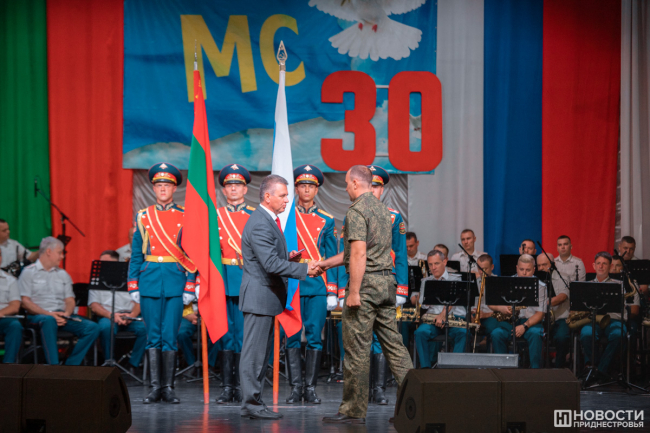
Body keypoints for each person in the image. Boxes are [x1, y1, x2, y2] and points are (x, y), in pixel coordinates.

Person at [318, 165, 412, 425]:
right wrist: (324, 264)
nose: (346, 188)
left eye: (346, 184)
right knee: (395, 347)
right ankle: (416, 405)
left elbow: (359, 253)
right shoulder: (384, 210)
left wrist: (354, 291)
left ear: (356, 183)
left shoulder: (357, 210)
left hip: (366, 286)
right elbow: (357, 251)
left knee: (357, 350)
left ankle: (353, 411)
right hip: (386, 284)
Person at [239, 174, 321, 420]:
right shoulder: (261, 223)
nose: (287, 200)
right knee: (254, 355)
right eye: (283, 195)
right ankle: (251, 404)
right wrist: (305, 269)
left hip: (264, 297)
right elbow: (270, 264)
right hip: (259, 297)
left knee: (259, 354)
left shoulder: (266, 219)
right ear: (267, 196)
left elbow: (270, 260)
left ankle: (254, 403)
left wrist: (289, 259)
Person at [127, 162, 197, 404]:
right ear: (154, 188)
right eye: (159, 185)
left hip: (176, 280)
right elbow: (136, 254)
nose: (163, 189)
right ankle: (155, 387)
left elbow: (192, 254)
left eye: (167, 185)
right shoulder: (143, 216)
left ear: (174, 188)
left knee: (170, 336)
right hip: (149, 281)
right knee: (152, 336)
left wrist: (190, 284)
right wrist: (132, 283)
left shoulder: (185, 215)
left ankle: (168, 388)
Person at [283, 165, 338, 404]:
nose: (306, 189)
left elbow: (332, 257)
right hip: (292, 284)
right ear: (296, 188)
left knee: (315, 336)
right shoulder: (285, 217)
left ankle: (311, 388)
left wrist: (332, 290)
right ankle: (296, 388)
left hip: (316, 284)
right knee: (292, 336)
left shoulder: (327, 219)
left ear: (317, 190)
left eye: (311, 186)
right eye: (302, 185)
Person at [19, 237, 99, 365]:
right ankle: (54, 367)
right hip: (38, 317)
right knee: (49, 321)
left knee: (92, 327)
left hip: (62, 316)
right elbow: (25, 302)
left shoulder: (63, 274)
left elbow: (70, 300)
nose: (62, 256)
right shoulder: (28, 272)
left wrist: (66, 314)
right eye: (59, 252)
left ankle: (70, 366)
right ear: (48, 252)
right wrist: (49, 314)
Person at [214, 164, 255, 404]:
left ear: (245, 189)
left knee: (243, 336)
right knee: (226, 335)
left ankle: (241, 387)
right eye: (229, 185)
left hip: (246, 278)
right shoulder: (215, 215)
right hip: (222, 279)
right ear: (224, 190)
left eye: (238, 185)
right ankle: (227, 387)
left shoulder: (255, 215)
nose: (233, 189)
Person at [579, 252, 640, 376]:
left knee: (618, 334)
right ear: (594, 266)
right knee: (586, 334)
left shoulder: (620, 285)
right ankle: (597, 367)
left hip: (614, 320)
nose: (601, 266)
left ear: (610, 266)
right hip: (593, 320)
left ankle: (600, 370)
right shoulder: (587, 286)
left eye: (604, 264)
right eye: (598, 263)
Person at [89, 250, 146, 370]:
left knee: (147, 329)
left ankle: (133, 364)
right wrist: (112, 315)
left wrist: (132, 315)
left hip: (129, 316)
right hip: (108, 316)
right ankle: (109, 362)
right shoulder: (96, 280)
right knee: (106, 328)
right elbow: (94, 305)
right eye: (102, 263)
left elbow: (139, 301)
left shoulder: (131, 279)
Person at [488, 254, 547, 368]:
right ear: (516, 268)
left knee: (536, 334)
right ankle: (503, 369)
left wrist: (524, 326)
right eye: (521, 269)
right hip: (510, 322)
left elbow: (540, 314)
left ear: (534, 270)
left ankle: (535, 371)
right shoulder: (506, 282)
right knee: (496, 334)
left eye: (528, 270)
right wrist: (501, 308)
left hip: (531, 323)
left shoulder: (541, 287)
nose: (524, 273)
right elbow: (490, 303)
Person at [412, 250, 466, 368]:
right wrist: (427, 296)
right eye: (430, 264)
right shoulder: (426, 281)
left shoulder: (456, 279)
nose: (433, 267)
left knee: (463, 333)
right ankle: (426, 369)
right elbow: (423, 305)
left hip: (454, 319)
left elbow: (453, 301)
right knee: (420, 333)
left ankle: (455, 369)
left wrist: (442, 315)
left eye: (436, 263)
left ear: (445, 261)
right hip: (433, 320)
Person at [537, 253, 570, 368]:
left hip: (559, 317)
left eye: (544, 265)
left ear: (553, 264)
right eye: (539, 266)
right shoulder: (535, 278)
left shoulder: (563, 276)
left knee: (562, 337)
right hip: (540, 318)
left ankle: (558, 368)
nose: (541, 268)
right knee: (534, 335)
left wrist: (542, 303)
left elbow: (562, 297)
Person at [0, 247, 23, 363]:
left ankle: (9, 366)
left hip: (2, 319)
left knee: (15, 326)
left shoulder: (10, 280)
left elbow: (15, 306)